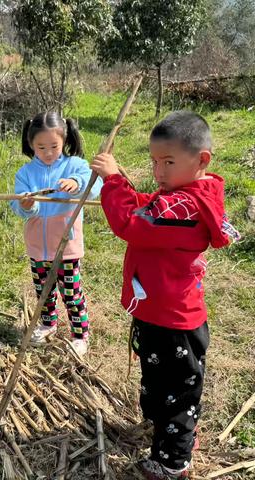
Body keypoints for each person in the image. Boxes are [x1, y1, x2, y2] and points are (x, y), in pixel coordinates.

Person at [91, 111, 240, 480]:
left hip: (172, 322)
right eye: (154, 161)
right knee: (166, 388)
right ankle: (178, 435)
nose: (158, 171)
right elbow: (147, 205)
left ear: (201, 160)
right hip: (162, 312)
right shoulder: (182, 196)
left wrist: (113, 182)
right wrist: (123, 182)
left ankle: (173, 462)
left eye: (168, 162)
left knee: (174, 392)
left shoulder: (185, 206)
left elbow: (133, 222)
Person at [11, 111, 103, 356]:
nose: (48, 152)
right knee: (44, 290)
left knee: (71, 292)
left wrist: (77, 183)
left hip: (66, 244)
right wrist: (27, 204)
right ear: (31, 145)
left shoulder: (75, 166)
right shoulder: (25, 173)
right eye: (41, 147)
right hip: (38, 246)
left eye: (54, 145)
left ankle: (80, 334)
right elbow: (17, 206)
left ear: (64, 141)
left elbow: (94, 184)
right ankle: (48, 323)